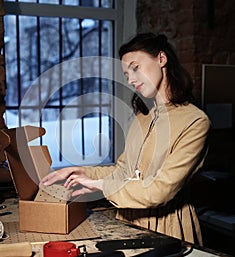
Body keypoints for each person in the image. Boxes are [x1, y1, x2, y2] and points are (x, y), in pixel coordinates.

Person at [39, 33, 210, 245]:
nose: (130, 79)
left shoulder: (195, 121)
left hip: (167, 226)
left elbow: (160, 190)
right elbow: (124, 171)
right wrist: (83, 172)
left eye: (135, 68)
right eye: (126, 74)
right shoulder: (143, 117)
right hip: (128, 221)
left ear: (161, 59)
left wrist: (99, 185)